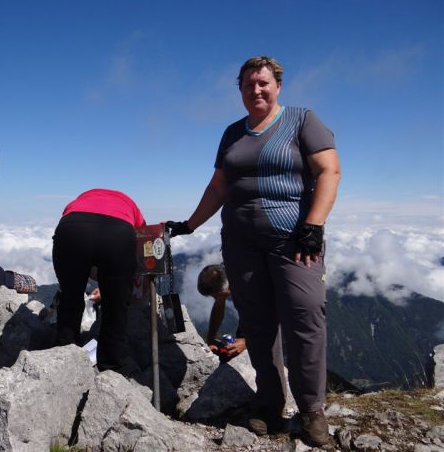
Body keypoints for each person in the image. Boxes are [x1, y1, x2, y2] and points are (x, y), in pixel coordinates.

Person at [167, 56, 340, 446]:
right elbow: (218, 187)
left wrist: (313, 225)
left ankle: (312, 411)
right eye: (248, 85)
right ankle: (269, 402)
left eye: (263, 83)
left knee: (305, 318)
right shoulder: (232, 133)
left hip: (294, 241)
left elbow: (329, 171)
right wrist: (190, 224)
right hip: (242, 244)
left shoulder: (301, 120)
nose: (256, 90)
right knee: (258, 327)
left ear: (278, 85)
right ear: (241, 90)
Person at [52, 188, 146, 377]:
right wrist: (121, 286)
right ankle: (112, 366)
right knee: (115, 306)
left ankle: (63, 353)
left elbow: (85, 251)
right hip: (119, 234)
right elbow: (142, 239)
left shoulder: (78, 202)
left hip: (71, 229)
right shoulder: (129, 205)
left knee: (71, 296)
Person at [196, 264, 246, 361]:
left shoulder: (250, 284)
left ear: (230, 285)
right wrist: (210, 340)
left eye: (219, 295)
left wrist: (246, 341)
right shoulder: (223, 275)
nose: (216, 299)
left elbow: (271, 314)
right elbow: (219, 305)